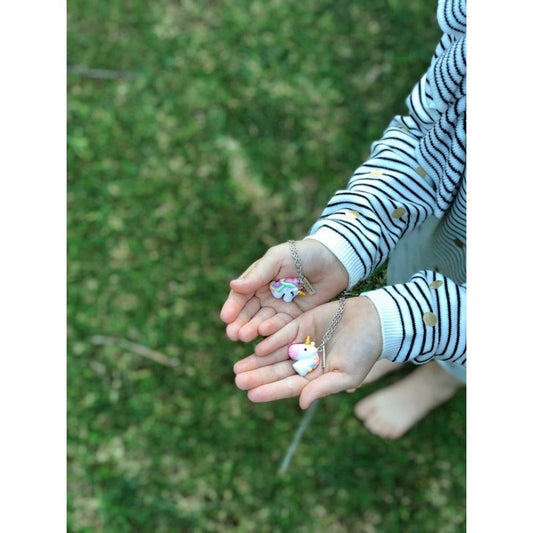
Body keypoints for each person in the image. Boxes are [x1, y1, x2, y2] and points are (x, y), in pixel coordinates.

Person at [220, 0, 466, 440]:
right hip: (445, 233)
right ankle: (398, 336)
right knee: (414, 273)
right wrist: (344, 243)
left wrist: (408, 321)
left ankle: (442, 376)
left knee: (463, 354)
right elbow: (426, 132)